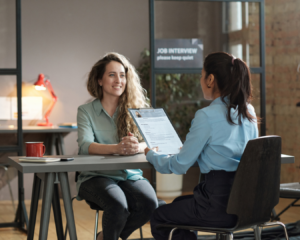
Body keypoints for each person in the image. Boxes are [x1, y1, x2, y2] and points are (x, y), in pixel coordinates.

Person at [144, 52, 259, 240]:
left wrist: (150, 154)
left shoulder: (206, 115)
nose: (200, 80)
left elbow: (179, 165)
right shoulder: (249, 112)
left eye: (201, 75)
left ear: (210, 79)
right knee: (181, 203)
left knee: (160, 216)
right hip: (246, 204)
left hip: (216, 206)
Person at [76, 52, 158, 240]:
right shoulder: (86, 111)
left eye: (122, 75)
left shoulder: (135, 109)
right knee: (118, 205)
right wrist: (117, 148)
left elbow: (152, 141)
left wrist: (137, 147)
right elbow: (85, 146)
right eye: (112, 75)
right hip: (95, 176)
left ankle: (104, 237)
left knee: (150, 204)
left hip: (129, 174)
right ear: (99, 80)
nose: (118, 80)